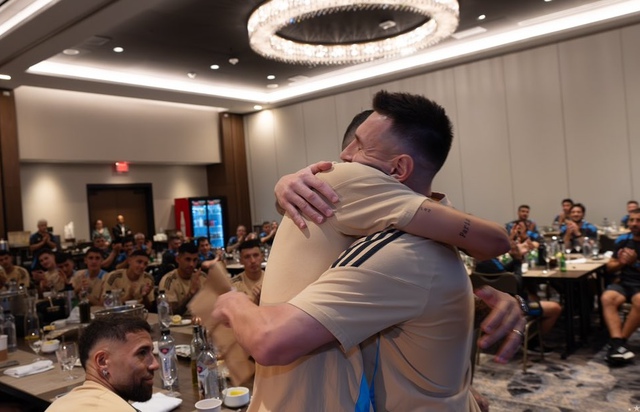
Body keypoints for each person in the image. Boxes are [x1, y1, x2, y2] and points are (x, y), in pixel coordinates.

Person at [211, 92, 520, 411]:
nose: (342, 158)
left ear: (399, 167)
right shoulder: (417, 231)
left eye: (358, 147)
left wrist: (233, 302)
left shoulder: (401, 249)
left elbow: (271, 340)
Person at [45, 314, 159, 411]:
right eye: (142, 353)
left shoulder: (58, 405)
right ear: (102, 361)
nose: (155, 364)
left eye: (151, 352)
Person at [475, 241, 562, 352]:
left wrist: (515, 258)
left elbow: (503, 270)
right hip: (514, 306)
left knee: (533, 296)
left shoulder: (484, 261)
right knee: (555, 308)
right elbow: (516, 285)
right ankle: (533, 342)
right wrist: (517, 262)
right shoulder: (490, 262)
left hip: (493, 305)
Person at [601, 207, 640, 365]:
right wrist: (621, 263)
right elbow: (610, 266)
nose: (634, 223)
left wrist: (635, 263)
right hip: (624, 283)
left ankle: (618, 343)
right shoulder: (622, 240)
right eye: (631, 220)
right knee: (607, 297)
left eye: (638, 220)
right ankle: (618, 343)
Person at [158, 242, 206, 316]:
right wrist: (190, 294)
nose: (191, 264)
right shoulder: (168, 280)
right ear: (178, 259)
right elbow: (171, 313)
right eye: (188, 259)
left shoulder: (202, 277)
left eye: (195, 260)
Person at [230, 239, 264, 304]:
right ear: (241, 261)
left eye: (256, 255)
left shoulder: (272, 281)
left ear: (262, 257)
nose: (253, 261)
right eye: (247, 257)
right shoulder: (234, 285)